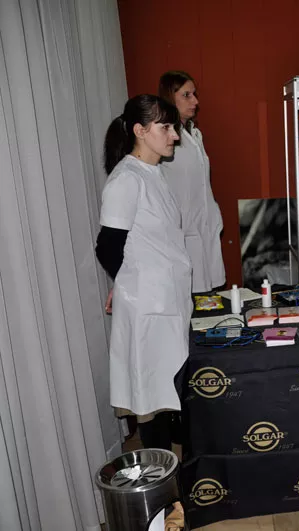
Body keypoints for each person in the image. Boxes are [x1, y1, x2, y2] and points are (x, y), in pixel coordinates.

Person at [95, 94, 191, 450]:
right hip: (148, 308)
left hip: (167, 300)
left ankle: (177, 469)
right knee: (152, 401)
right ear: (140, 130)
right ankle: (162, 478)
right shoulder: (126, 180)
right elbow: (107, 246)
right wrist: (126, 282)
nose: (174, 136)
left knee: (168, 393)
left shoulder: (153, 173)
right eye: (166, 127)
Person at [159, 70, 226, 293]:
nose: (195, 101)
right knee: (188, 295)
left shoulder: (194, 135)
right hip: (181, 233)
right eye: (186, 95)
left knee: (208, 296)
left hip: (204, 227)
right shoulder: (162, 139)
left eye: (194, 94)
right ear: (170, 97)